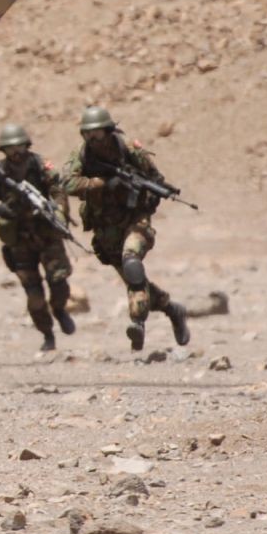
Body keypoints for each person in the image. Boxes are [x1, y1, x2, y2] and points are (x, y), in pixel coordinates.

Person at [60, 106, 190, 351]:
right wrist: (104, 184)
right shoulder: (82, 155)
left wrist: (145, 193)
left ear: (109, 131)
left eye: (97, 134)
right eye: (87, 135)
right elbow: (67, 182)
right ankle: (172, 309)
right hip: (105, 227)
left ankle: (137, 323)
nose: (92, 140)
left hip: (134, 220)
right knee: (136, 282)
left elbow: (155, 178)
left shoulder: (129, 150)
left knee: (132, 262)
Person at [0, 123, 75, 351]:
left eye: (19, 147)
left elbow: (59, 191)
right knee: (34, 297)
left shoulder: (41, 166)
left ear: (26, 145)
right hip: (19, 242)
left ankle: (59, 310)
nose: (16, 153)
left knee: (59, 283)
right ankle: (48, 335)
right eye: (10, 149)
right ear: (3, 150)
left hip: (46, 235)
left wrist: (56, 213)